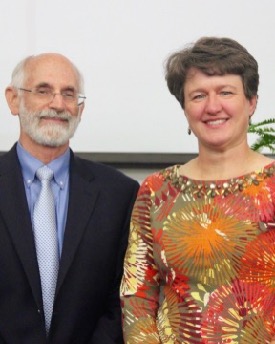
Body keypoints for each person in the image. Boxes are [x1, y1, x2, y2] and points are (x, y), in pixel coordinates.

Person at [120, 37, 275, 343]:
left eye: (226, 92)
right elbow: (136, 294)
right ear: (185, 108)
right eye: (198, 95)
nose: (212, 106)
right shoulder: (155, 190)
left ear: (251, 102)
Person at [1, 52, 139, 343]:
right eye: (43, 91)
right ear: (14, 100)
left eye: (68, 94)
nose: (58, 104)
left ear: (80, 109)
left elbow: (123, 299)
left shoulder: (119, 194)